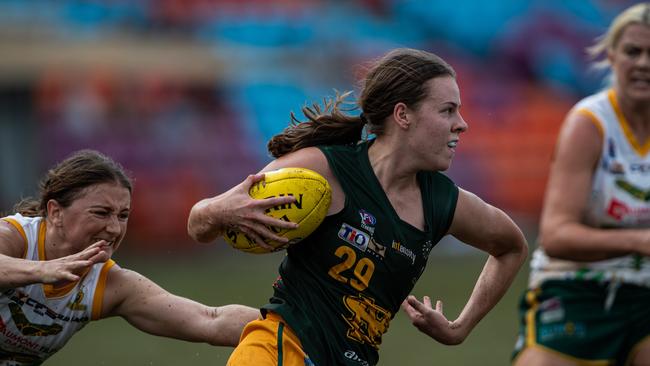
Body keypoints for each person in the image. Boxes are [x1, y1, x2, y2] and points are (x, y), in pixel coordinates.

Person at [188, 47, 529, 366]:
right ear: (403, 115)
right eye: (448, 110)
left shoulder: (443, 202)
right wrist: (219, 212)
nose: (462, 123)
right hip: (278, 352)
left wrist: (460, 328)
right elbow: (198, 224)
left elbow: (511, 247)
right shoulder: (322, 169)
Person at [0, 149, 261, 365]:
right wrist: (42, 270)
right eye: (101, 213)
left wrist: (289, 328)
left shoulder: (108, 284)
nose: (114, 228)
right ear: (55, 212)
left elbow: (210, 319)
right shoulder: (17, 237)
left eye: (122, 216)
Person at [512, 3, 650, 365]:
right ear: (611, 56)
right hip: (576, 288)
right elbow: (556, 236)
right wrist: (639, 241)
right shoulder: (589, 124)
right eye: (633, 51)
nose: (644, 63)